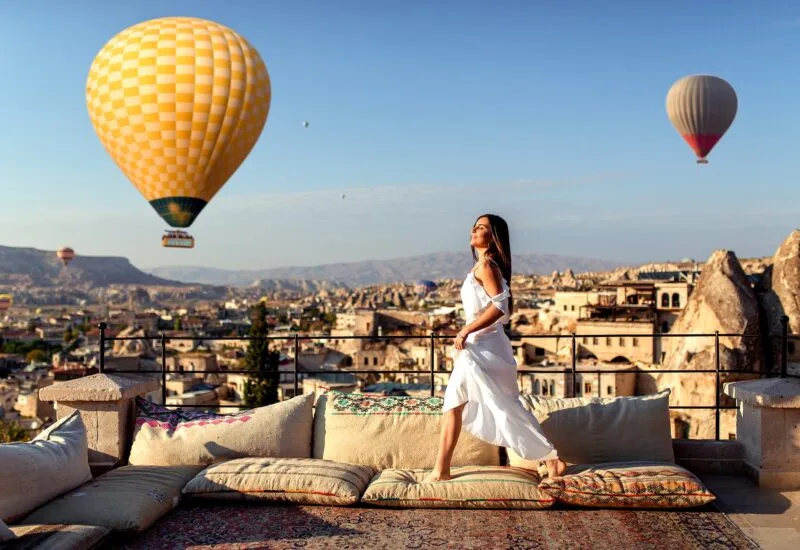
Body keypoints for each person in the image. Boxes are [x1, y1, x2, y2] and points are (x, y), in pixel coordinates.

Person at [424, 214, 566, 482]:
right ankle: (553, 460)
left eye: (482, 228)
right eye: (475, 226)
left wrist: (466, 330)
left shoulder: (487, 266)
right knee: (497, 407)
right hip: (484, 346)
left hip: (482, 348)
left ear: (494, 237)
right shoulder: (484, 267)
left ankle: (440, 470)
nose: (474, 230)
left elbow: (501, 308)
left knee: (458, 406)